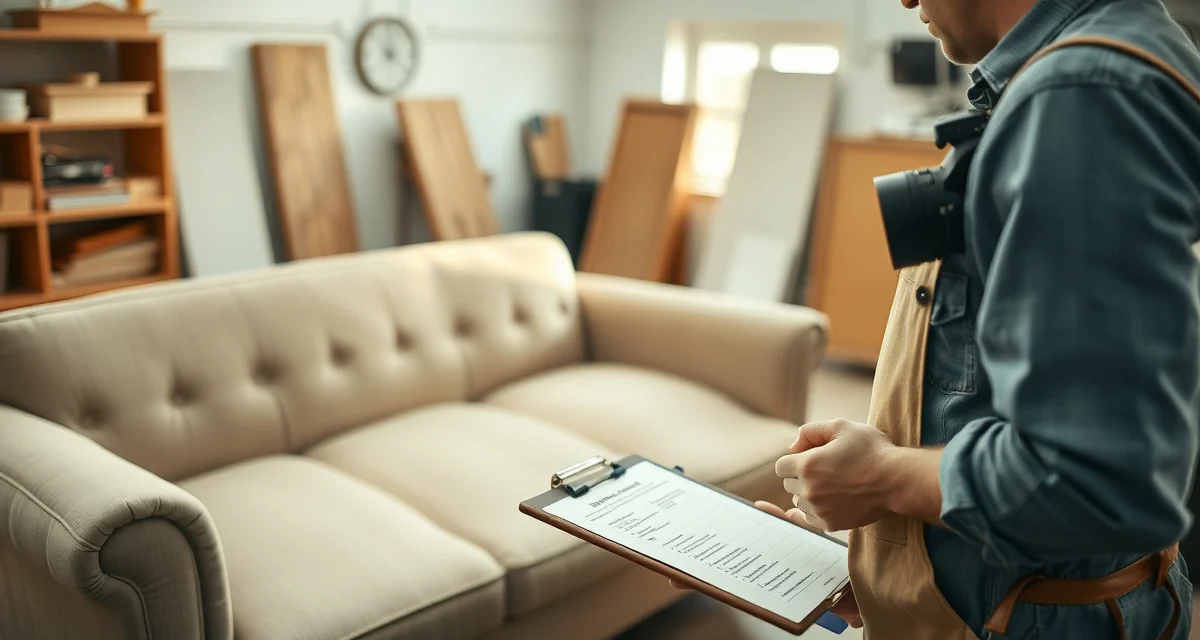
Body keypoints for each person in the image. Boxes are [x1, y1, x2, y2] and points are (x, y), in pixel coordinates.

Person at [763, 0, 1200, 638]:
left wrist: (883, 479)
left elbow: (1093, 477)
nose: (905, 0)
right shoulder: (1101, 62)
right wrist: (894, 566)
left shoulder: (1082, 99)